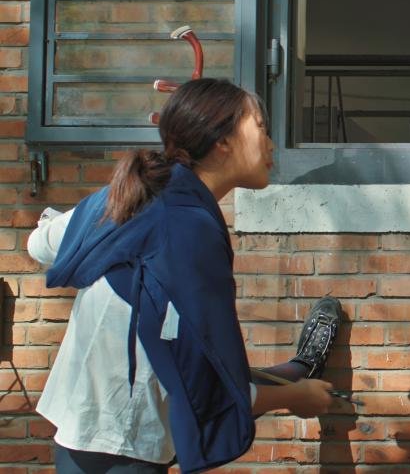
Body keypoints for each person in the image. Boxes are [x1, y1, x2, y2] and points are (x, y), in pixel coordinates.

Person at [27, 78, 345, 474]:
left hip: (79, 428)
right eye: (261, 127)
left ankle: (297, 370)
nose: (271, 144)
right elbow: (204, 382)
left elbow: (40, 244)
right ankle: (298, 375)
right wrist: (294, 398)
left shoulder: (135, 195)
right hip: (125, 443)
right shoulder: (187, 228)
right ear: (221, 141)